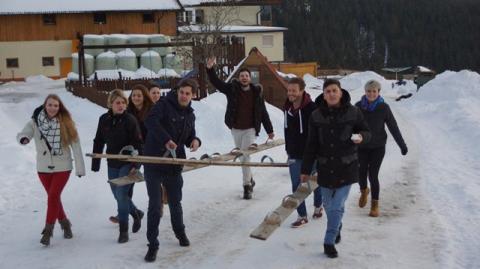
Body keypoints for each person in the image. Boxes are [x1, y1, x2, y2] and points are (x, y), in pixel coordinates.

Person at [301, 79, 371, 258]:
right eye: (327, 91)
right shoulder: (316, 116)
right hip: (325, 167)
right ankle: (337, 225)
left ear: (340, 92)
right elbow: (311, 144)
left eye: (334, 90)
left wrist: (362, 136)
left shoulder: (354, 112)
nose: (331, 94)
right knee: (328, 204)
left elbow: (367, 132)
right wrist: (305, 169)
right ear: (323, 96)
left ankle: (329, 241)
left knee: (337, 205)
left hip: (347, 166)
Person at [143, 79, 201, 262]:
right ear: (177, 92)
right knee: (154, 205)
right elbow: (150, 121)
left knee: (176, 202)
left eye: (188, 93)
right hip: (154, 161)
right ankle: (152, 245)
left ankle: (180, 233)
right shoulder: (163, 104)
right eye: (182, 92)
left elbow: (189, 135)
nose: (184, 96)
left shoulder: (190, 115)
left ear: (193, 96)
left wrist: (195, 140)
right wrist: (166, 139)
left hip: (174, 164)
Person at [17, 94, 85, 246]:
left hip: (63, 166)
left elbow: (76, 146)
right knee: (54, 198)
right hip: (43, 167)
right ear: (45, 105)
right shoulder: (35, 122)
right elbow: (24, 132)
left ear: (59, 107)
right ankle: (65, 223)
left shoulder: (66, 122)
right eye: (50, 105)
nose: (53, 108)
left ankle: (48, 231)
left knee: (53, 196)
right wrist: (24, 138)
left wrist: (80, 168)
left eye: (56, 105)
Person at [206, 57, 274, 199]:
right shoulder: (232, 89)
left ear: (250, 78)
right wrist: (210, 69)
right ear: (239, 78)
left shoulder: (257, 93)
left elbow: (263, 113)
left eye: (246, 76)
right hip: (236, 129)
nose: (244, 78)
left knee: (244, 156)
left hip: (250, 129)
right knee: (244, 158)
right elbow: (216, 83)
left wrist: (270, 130)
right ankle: (250, 179)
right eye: (242, 76)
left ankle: (246, 186)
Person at [91, 89, 143, 243]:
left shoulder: (130, 120)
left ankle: (123, 231)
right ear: (111, 104)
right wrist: (96, 162)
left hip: (128, 163)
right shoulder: (104, 119)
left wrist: (136, 164)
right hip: (112, 162)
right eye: (117, 103)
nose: (121, 106)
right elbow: (99, 140)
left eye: (123, 103)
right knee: (117, 194)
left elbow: (139, 144)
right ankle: (135, 212)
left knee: (121, 195)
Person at [355, 80, 408, 217]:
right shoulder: (358, 107)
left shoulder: (384, 108)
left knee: (373, 174)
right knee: (361, 172)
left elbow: (393, 127)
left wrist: (402, 145)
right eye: (368, 91)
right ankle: (364, 190)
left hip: (378, 147)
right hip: (361, 147)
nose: (371, 94)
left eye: (374, 91)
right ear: (365, 92)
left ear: (378, 92)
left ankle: (374, 204)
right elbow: (351, 126)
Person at [108, 84, 153, 224]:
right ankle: (127, 212)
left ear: (144, 97)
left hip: (148, 150)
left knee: (152, 181)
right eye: (133, 95)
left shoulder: (151, 110)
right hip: (133, 152)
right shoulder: (128, 111)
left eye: (139, 95)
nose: (136, 98)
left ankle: (154, 207)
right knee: (126, 185)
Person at [283, 77, 323, 228]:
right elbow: (287, 130)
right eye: (289, 90)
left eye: (294, 90)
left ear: (301, 91)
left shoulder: (312, 109)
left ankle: (318, 206)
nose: (291, 93)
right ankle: (302, 215)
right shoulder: (287, 108)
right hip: (294, 153)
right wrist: (288, 149)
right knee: (296, 185)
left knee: (314, 183)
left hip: (311, 154)